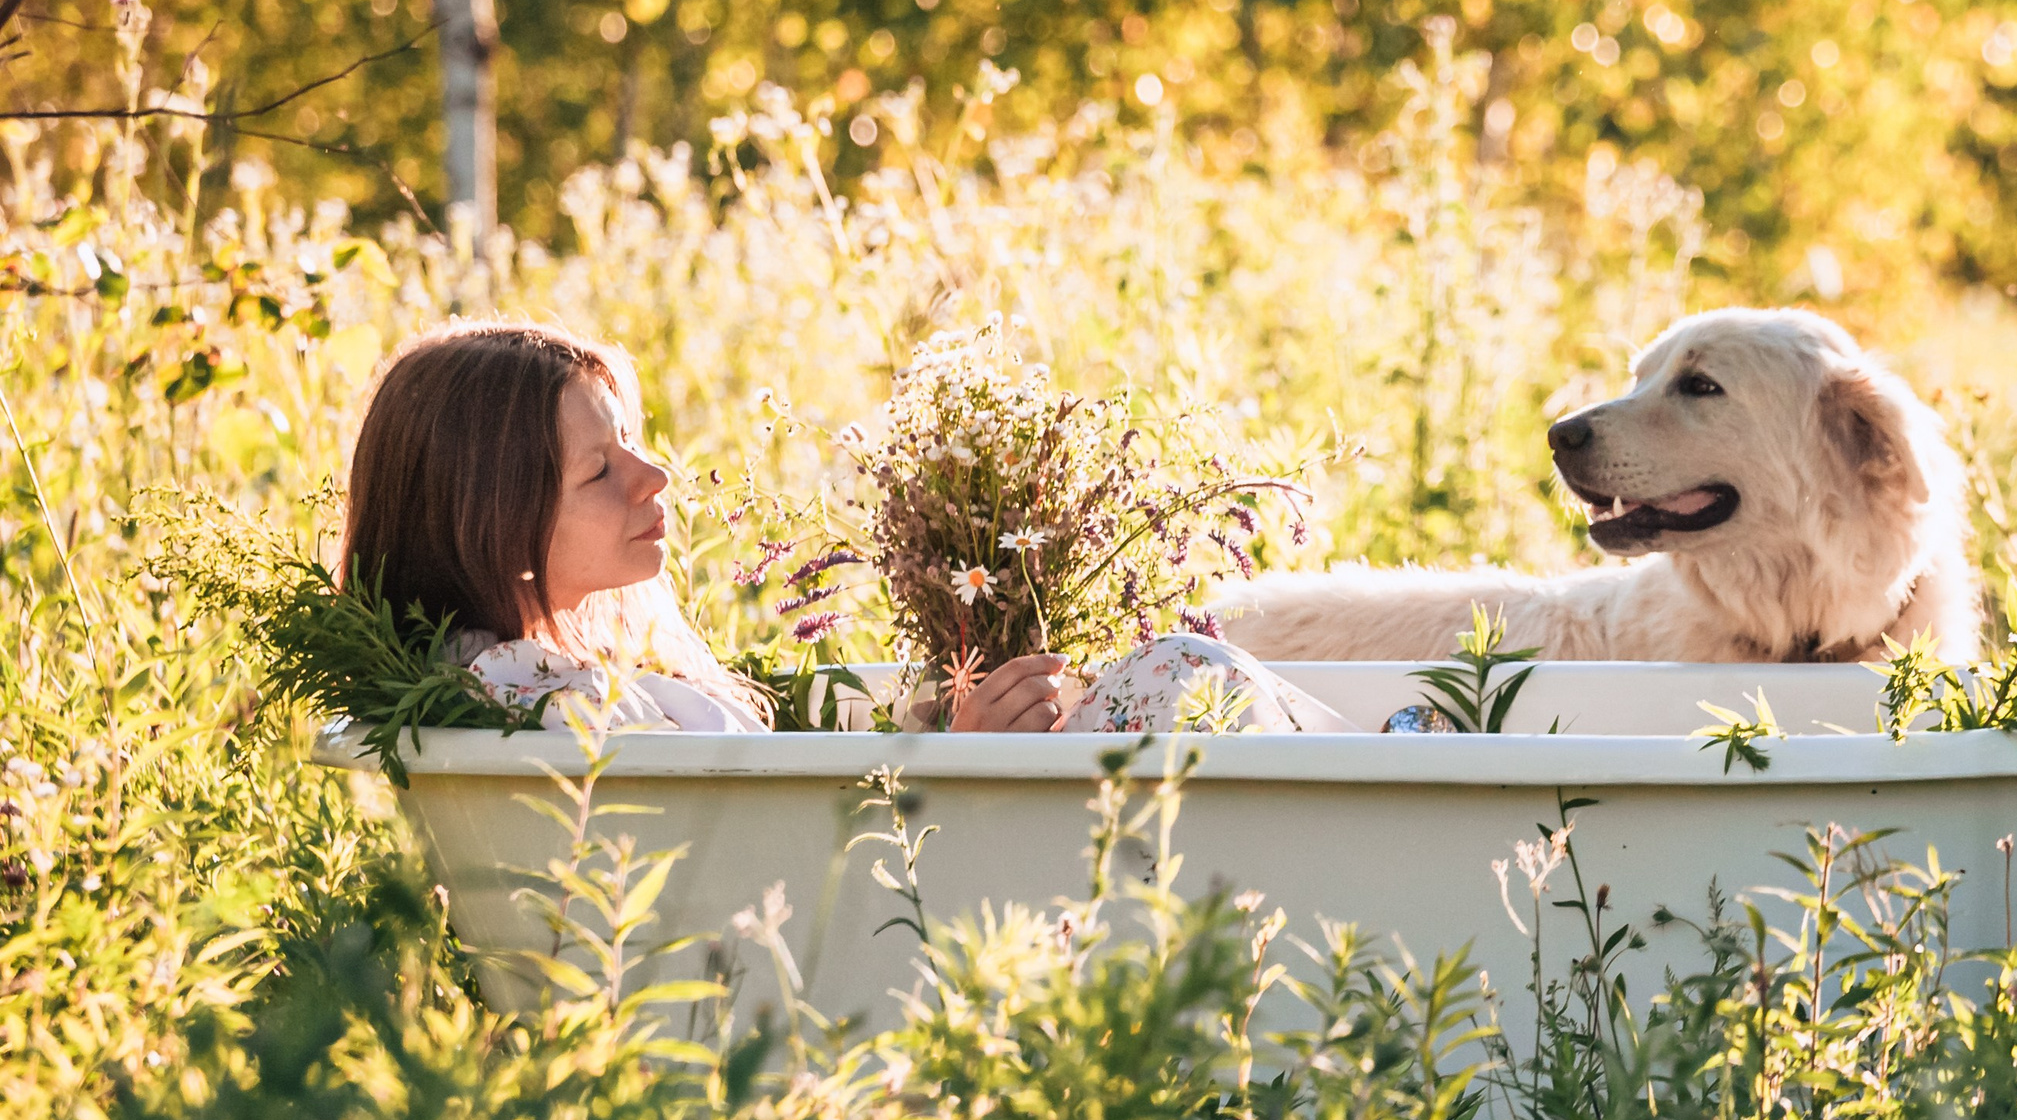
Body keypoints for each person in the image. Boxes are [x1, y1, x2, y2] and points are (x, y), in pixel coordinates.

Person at [341, 321, 1347, 735]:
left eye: (633, 443)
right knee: (1181, 673)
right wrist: (957, 768)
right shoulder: (536, 700)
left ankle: (1392, 752)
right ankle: (1394, 761)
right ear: (491, 522)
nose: (655, 475)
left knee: (1179, 674)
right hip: (925, 925)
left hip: (937, 890)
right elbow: (776, 868)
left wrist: (930, 741)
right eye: (601, 470)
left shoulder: (542, 682)